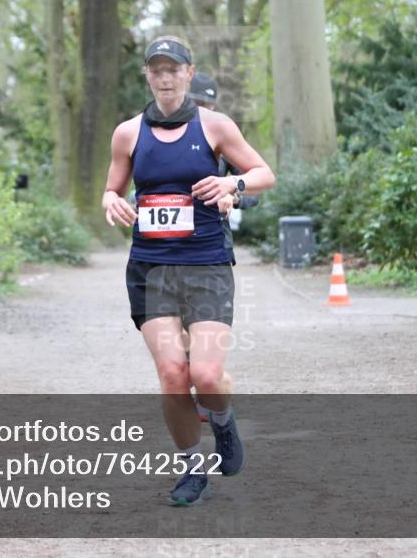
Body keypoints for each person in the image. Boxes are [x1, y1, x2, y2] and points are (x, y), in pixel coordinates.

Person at [102, 36, 275, 506]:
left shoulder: (215, 126)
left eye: (172, 69)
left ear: (188, 73)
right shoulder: (127, 133)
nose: (164, 77)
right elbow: (113, 188)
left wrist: (231, 182)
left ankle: (222, 421)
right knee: (174, 374)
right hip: (151, 268)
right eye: (156, 69)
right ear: (147, 75)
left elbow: (263, 173)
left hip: (206, 265)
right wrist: (111, 201)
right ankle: (191, 468)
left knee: (208, 374)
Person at [185, 72, 261, 422]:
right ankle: (194, 390)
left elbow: (255, 193)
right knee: (179, 341)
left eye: (209, 104)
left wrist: (233, 194)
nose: (204, 110)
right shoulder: (164, 138)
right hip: (166, 253)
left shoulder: (221, 141)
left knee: (206, 336)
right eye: (198, 103)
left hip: (213, 252)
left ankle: (209, 394)